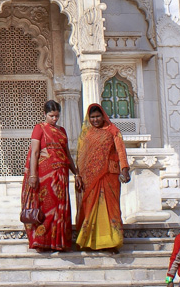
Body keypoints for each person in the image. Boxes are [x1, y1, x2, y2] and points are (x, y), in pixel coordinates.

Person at [23, 99, 78, 251]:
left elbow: (67, 154)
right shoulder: (39, 128)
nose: (54, 119)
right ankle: (42, 241)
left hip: (61, 175)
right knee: (47, 208)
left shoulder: (62, 131)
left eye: (56, 116)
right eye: (51, 116)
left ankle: (59, 242)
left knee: (60, 208)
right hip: (45, 175)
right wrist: (33, 176)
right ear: (44, 114)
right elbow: (34, 153)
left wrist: (76, 173)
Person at [75, 103, 130, 250]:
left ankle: (112, 241)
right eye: (92, 117)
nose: (95, 120)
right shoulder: (86, 134)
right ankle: (89, 241)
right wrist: (78, 175)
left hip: (109, 175)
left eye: (98, 116)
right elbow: (81, 156)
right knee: (91, 208)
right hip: (90, 177)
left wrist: (125, 169)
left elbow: (121, 151)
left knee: (110, 208)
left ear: (103, 116)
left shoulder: (113, 131)